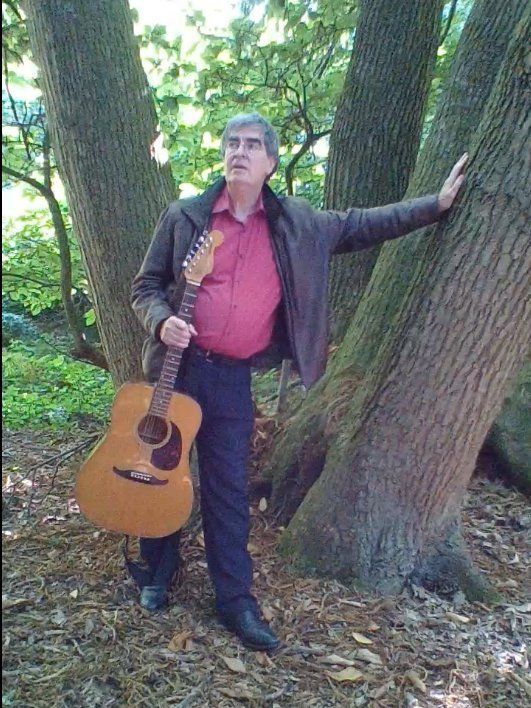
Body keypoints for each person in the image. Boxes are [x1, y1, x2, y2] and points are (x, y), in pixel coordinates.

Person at [131, 112, 467, 651]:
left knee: (227, 490)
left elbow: (361, 224)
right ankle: (156, 570)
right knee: (160, 469)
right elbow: (145, 285)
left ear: (270, 161)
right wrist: (160, 320)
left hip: (232, 380)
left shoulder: (297, 224)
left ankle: (235, 601)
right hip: (179, 369)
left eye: (252, 145)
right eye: (232, 143)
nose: (239, 152)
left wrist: (436, 206)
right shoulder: (186, 216)